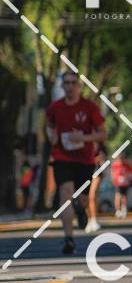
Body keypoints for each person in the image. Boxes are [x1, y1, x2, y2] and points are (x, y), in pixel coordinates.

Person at [46, 72, 106, 254]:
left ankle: (81, 210)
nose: (70, 86)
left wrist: (83, 138)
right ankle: (68, 238)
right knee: (65, 192)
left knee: (83, 199)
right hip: (62, 157)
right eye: (67, 83)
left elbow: (102, 133)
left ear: (79, 87)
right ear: (62, 86)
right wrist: (51, 135)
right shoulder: (55, 107)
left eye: (73, 83)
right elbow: (49, 125)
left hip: (85, 160)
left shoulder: (90, 107)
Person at [86, 146, 107, 233]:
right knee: (86, 197)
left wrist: (94, 159)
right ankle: (89, 220)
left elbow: (103, 156)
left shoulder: (99, 144)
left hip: (96, 171)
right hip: (84, 170)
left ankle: (94, 220)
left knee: (92, 196)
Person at [111, 154, 132, 218]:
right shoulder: (115, 164)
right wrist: (114, 179)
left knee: (124, 197)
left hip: (125, 183)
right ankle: (117, 211)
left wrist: (127, 178)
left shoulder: (126, 164)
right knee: (117, 196)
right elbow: (112, 173)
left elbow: (130, 172)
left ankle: (124, 210)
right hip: (117, 183)